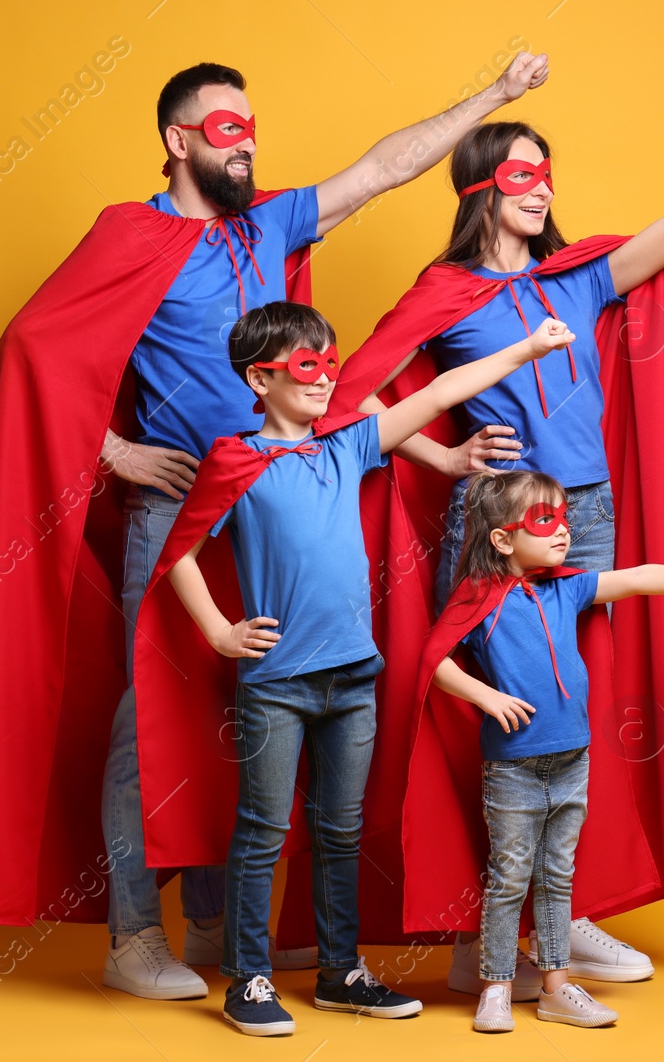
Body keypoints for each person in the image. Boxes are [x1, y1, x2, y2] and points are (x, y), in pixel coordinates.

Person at [0, 54, 553, 1001]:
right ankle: (136, 934)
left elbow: (382, 169)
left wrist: (497, 98)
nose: (248, 141)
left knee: (246, 713)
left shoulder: (267, 222)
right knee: (148, 720)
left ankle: (229, 929)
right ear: (178, 140)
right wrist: (116, 453)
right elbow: (31, 346)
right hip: (177, 512)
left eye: (252, 125)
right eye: (227, 127)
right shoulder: (130, 234)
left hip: (273, 510)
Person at [330, 114, 664, 992]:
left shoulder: (579, 280)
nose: (542, 189)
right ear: (479, 190)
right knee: (489, 716)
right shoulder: (446, 291)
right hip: (499, 516)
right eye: (522, 176)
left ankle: (564, 917)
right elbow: (351, 398)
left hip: (588, 515)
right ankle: (477, 935)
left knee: (572, 705)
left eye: (548, 175)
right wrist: (445, 455)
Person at [159, 303, 576, 1035]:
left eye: (329, 359)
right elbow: (180, 557)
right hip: (276, 684)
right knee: (262, 827)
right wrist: (222, 631)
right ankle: (248, 977)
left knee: (340, 829)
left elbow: (438, 396)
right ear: (260, 378)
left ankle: (339, 971)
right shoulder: (236, 459)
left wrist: (525, 348)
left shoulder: (347, 444)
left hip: (354, 679)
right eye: (305, 365)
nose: (325, 377)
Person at [420, 470, 664, 1030]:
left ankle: (556, 987)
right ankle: (497, 987)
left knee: (557, 877)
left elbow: (639, 578)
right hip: (513, 767)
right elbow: (432, 659)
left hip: (573, 760)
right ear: (502, 538)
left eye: (564, 520)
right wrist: (485, 696)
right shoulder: (479, 597)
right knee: (509, 877)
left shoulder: (566, 586)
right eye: (544, 520)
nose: (563, 532)